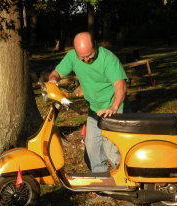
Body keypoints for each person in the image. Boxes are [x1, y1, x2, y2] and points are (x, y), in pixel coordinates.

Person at [48, 32, 128, 173]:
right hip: (94, 110)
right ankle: (104, 188)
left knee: (112, 151)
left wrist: (113, 107)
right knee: (92, 152)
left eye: (89, 56)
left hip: (113, 110)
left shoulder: (108, 59)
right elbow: (57, 73)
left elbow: (120, 85)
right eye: (82, 57)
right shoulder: (72, 56)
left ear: (95, 45)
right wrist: (53, 80)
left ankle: (130, 181)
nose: (85, 60)